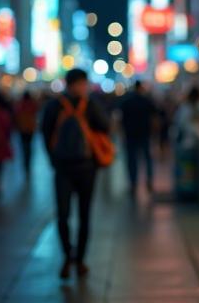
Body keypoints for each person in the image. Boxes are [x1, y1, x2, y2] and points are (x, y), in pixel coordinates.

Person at [41, 68, 110, 280]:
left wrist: (53, 160)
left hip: (64, 167)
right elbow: (105, 127)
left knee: (65, 215)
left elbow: (45, 133)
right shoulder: (90, 105)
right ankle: (76, 259)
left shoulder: (54, 105)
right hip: (86, 168)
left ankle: (72, 257)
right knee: (81, 214)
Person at [119, 80, 156, 195]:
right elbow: (154, 117)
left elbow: (120, 119)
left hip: (130, 134)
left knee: (131, 160)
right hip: (144, 133)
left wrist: (122, 133)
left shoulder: (126, 101)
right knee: (147, 159)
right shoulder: (146, 101)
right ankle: (149, 180)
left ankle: (133, 183)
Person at [14, 92, 39, 177]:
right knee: (29, 146)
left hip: (22, 129)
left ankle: (26, 162)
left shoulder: (20, 105)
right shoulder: (32, 104)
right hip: (30, 128)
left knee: (24, 146)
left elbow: (16, 115)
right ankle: (28, 162)